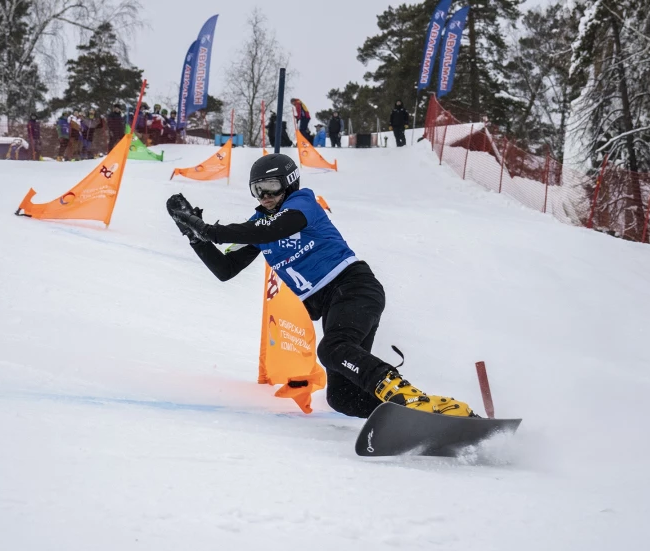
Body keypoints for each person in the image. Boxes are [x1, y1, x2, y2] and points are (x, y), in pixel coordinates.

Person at [165, 153, 478, 419]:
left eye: (271, 188)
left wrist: (209, 229)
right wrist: (194, 235)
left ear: (289, 183)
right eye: (257, 191)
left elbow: (279, 226)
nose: (265, 197)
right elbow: (225, 269)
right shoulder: (259, 224)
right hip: (332, 306)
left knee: (332, 349)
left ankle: (408, 398)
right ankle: (414, 418)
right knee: (341, 397)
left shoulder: (303, 204)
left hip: (353, 287)